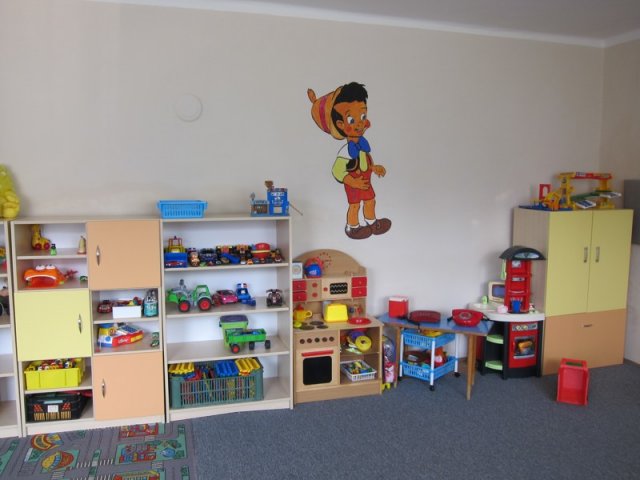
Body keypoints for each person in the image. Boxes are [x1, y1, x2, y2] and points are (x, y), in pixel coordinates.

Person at [308, 82, 391, 239]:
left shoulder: (363, 147)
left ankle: (372, 222)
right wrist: (352, 182)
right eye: (352, 120)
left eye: (363, 116)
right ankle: (352, 227)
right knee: (354, 206)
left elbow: (365, 163)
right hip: (354, 183)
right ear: (340, 125)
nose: (360, 122)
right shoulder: (346, 151)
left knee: (370, 201)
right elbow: (337, 171)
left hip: (365, 181)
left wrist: (374, 168)